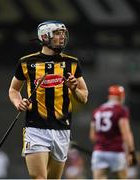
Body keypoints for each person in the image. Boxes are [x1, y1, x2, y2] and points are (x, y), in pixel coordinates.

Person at [9, 20, 88, 179]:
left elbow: (83, 96)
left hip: (62, 129)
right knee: (39, 177)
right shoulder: (27, 62)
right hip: (35, 128)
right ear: (45, 37)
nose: (62, 38)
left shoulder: (71, 63)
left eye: (63, 34)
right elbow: (13, 90)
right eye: (58, 34)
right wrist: (19, 103)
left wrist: (74, 89)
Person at [89, 85, 137, 179]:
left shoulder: (97, 111)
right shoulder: (121, 111)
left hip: (99, 152)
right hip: (116, 152)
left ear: (109, 96)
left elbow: (92, 136)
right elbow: (126, 134)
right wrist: (131, 152)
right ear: (121, 97)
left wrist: (102, 145)